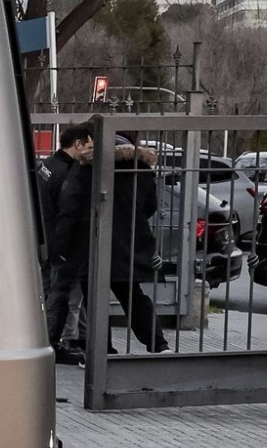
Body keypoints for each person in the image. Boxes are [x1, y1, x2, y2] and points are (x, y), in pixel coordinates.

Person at [106, 136, 169, 354]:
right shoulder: (142, 170)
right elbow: (151, 205)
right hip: (131, 239)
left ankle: (103, 349)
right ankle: (158, 344)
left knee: (94, 297)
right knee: (133, 296)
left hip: (99, 238)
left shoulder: (96, 168)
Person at [38, 125, 94, 364]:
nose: (92, 152)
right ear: (78, 144)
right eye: (90, 146)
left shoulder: (48, 166)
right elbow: (65, 213)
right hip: (58, 246)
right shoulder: (67, 172)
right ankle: (52, 343)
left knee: (52, 296)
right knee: (58, 298)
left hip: (45, 242)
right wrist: (60, 249)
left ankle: (50, 341)